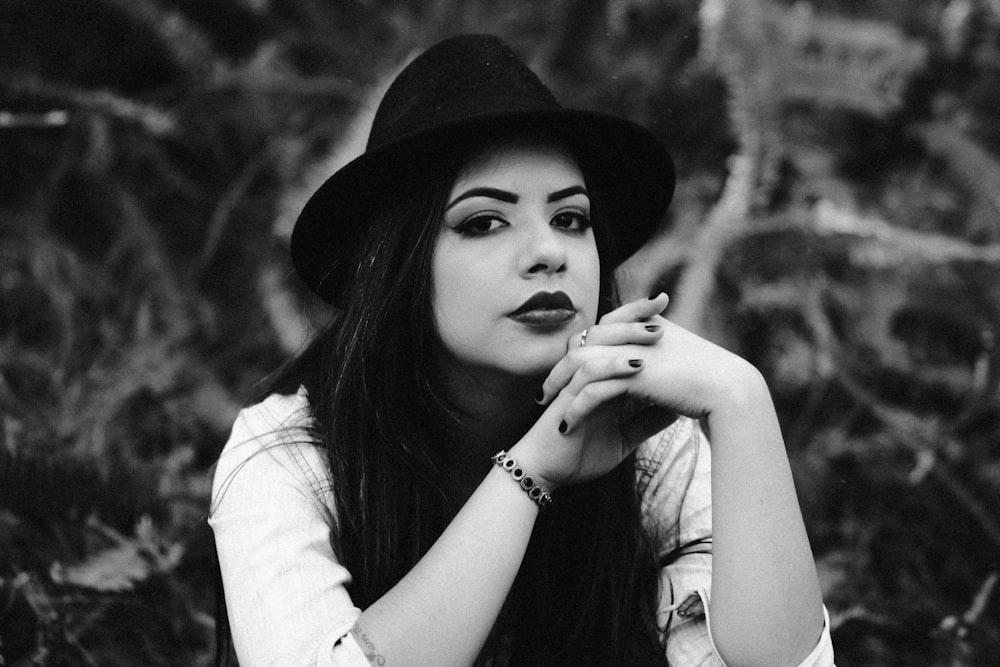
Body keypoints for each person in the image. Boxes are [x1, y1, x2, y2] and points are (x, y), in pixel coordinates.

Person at [209, 34, 835, 666]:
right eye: (483, 222)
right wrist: (532, 469)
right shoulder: (289, 451)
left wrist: (741, 401)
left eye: (571, 219)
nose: (549, 251)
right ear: (401, 265)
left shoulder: (647, 438)